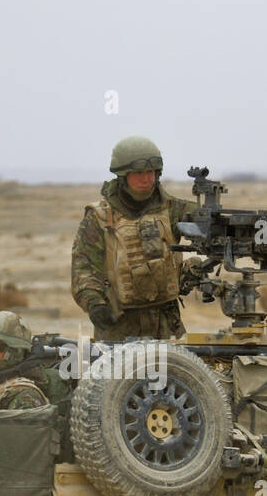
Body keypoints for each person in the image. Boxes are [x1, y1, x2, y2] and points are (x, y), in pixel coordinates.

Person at [71, 135, 204, 342]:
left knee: (178, 373)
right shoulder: (99, 218)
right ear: (123, 176)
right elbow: (84, 268)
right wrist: (95, 303)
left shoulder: (174, 210)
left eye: (151, 172)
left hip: (166, 323)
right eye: (139, 173)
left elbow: (211, 226)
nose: (146, 179)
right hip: (118, 327)